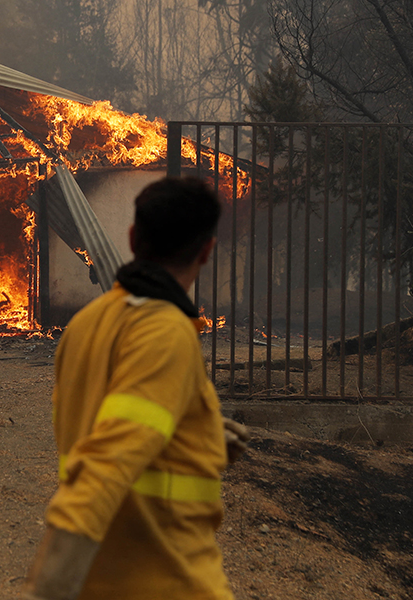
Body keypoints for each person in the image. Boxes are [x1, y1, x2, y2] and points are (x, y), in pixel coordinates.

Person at [24, 177, 249, 600]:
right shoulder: (167, 333)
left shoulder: (85, 325)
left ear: (132, 237)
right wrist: (46, 589)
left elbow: (105, 419)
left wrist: (198, 436)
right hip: (166, 582)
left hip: (104, 580)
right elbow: (107, 462)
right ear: (206, 250)